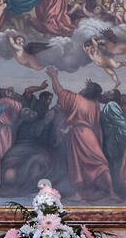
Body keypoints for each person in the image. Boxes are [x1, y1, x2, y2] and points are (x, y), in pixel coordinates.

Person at [45, 67, 113, 201]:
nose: (82, 89)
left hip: (78, 134)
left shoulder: (76, 99)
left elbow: (59, 91)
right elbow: (96, 125)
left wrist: (54, 77)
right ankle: (111, 192)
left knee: (77, 165)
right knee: (100, 163)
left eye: (86, 88)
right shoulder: (94, 105)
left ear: (87, 91)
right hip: (91, 136)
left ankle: (78, 194)